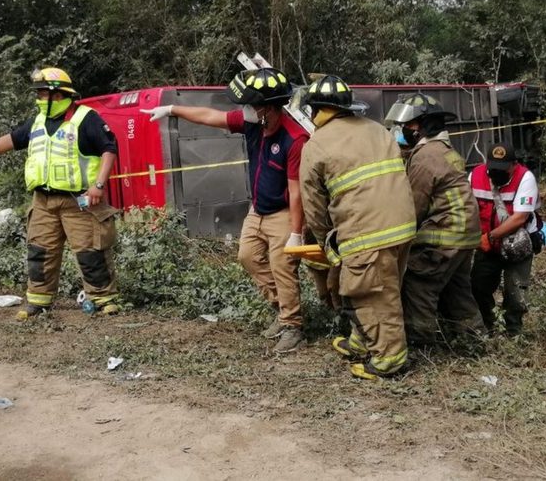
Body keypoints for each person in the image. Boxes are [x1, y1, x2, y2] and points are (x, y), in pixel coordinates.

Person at [141, 68, 309, 353]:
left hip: (283, 212)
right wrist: (171, 109)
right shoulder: (253, 123)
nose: (245, 110)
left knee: (283, 268)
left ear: (267, 108)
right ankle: (283, 309)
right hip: (258, 210)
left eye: (251, 105)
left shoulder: (294, 139)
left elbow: (296, 191)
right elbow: (210, 116)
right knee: (247, 257)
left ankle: (293, 327)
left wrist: (296, 232)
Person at [0, 68, 121, 320]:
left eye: (43, 94)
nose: (39, 99)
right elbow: (12, 140)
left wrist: (98, 185)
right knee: (40, 251)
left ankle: (103, 299)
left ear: (59, 95)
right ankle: (38, 300)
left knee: (91, 251)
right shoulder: (37, 122)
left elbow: (109, 149)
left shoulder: (86, 118)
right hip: (43, 201)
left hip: (80, 201)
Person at [299, 75, 417, 379]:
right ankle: (360, 342)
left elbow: (313, 205)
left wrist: (325, 241)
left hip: (368, 231)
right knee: (383, 286)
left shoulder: (316, 145)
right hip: (403, 225)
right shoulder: (377, 129)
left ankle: (390, 360)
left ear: (316, 110)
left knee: (367, 294)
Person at [384, 93, 483, 347]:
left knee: (419, 283)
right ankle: (473, 340)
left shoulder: (426, 156)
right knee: (457, 290)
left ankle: (421, 343)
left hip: (444, 234)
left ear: (423, 126)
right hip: (465, 233)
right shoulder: (444, 150)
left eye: (408, 125)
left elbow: (413, 206)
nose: (404, 130)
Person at [469, 142, 540, 336]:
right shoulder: (475, 176)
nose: (497, 173)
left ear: (514, 164)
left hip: (517, 244)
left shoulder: (525, 178)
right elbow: (467, 207)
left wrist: (490, 236)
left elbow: (520, 217)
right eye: (493, 168)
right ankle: (489, 326)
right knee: (478, 287)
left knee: (515, 293)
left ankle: (513, 332)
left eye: (503, 168)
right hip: (487, 245)